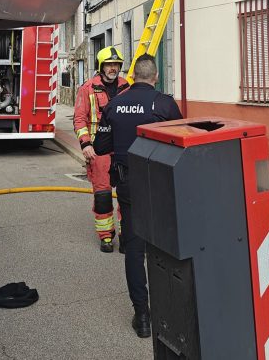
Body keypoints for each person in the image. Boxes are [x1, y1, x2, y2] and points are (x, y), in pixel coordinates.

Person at [93, 53, 182, 339]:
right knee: (166, 246)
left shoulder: (114, 104)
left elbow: (100, 144)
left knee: (133, 247)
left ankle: (142, 316)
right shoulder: (165, 103)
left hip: (129, 184)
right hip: (161, 185)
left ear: (131, 77)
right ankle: (171, 310)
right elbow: (183, 142)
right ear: (155, 77)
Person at [73, 46, 128, 253]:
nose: (113, 68)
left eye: (116, 64)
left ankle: (126, 235)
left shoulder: (126, 87)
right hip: (99, 151)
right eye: (109, 64)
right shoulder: (87, 88)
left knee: (126, 195)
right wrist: (86, 144)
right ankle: (106, 236)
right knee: (103, 196)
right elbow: (79, 120)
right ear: (101, 66)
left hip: (122, 150)